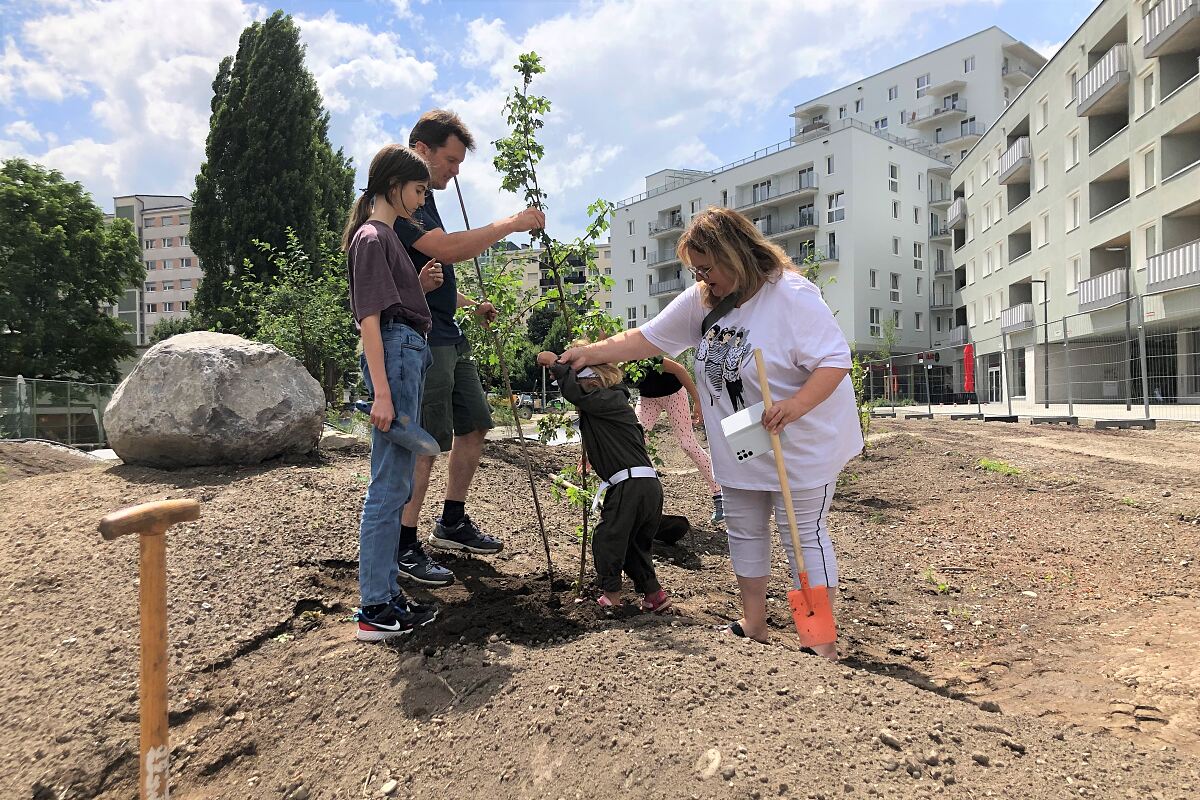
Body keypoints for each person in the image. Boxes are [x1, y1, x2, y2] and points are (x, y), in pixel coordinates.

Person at [559, 207, 862, 659]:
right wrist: (588, 352)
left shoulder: (791, 296)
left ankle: (818, 639)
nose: (701, 277)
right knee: (743, 526)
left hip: (799, 434)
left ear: (735, 254)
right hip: (744, 430)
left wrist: (795, 406)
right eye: (694, 269)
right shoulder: (703, 299)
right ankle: (754, 623)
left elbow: (835, 360)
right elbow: (646, 338)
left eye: (707, 267)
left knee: (801, 535)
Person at [391, 109, 547, 587]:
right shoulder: (405, 198)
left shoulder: (427, 199)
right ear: (422, 150)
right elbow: (448, 251)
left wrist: (467, 301)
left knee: (476, 424)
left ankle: (452, 522)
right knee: (427, 443)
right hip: (423, 337)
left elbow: (434, 276)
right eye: (451, 160)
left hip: (448, 332)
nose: (455, 171)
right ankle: (403, 543)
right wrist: (512, 224)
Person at [343, 144, 446, 641]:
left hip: (407, 353)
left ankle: (384, 594)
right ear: (392, 185)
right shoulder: (371, 237)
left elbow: (392, 309)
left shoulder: (384, 238)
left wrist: (418, 290)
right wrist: (382, 392)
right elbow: (370, 319)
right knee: (388, 486)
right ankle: (375, 608)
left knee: (396, 481)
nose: (423, 200)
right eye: (419, 189)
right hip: (396, 358)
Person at [537, 345, 671, 614]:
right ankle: (653, 595)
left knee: (608, 538)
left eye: (582, 378)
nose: (579, 385)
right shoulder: (614, 403)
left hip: (629, 485)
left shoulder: (605, 399)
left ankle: (612, 597)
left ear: (596, 380)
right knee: (633, 545)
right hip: (647, 486)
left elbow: (574, 392)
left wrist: (556, 364)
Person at [629, 357, 724, 523]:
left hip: (673, 393)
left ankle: (720, 495)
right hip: (647, 398)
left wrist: (696, 400)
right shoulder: (607, 366)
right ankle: (642, 502)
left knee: (687, 444)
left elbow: (679, 369)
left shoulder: (642, 358)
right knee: (637, 442)